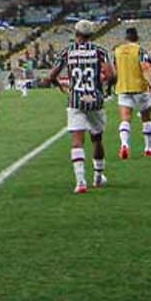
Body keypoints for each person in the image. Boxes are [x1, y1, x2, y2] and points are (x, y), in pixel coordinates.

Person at [45, 20, 115, 193]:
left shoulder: (68, 52)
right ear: (91, 35)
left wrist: (59, 85)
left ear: (75, 33)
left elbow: (51, 75)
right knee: (97, 139)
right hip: (95, 99)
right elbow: (111, 74)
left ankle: (80, 181)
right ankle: (98, 176)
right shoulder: (100, 52)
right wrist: (105, 88)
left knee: (77, 141)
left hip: (76, 99)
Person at [112, 26, 151, 159]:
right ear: (137, 38)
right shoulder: (139, 50)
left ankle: (125, 144)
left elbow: (115, 70)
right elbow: (145, 68)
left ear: (125, 38)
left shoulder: (117, 51)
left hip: (123, 88)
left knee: (125, 118)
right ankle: (148, 148)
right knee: (146, 118)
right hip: (140, 88)